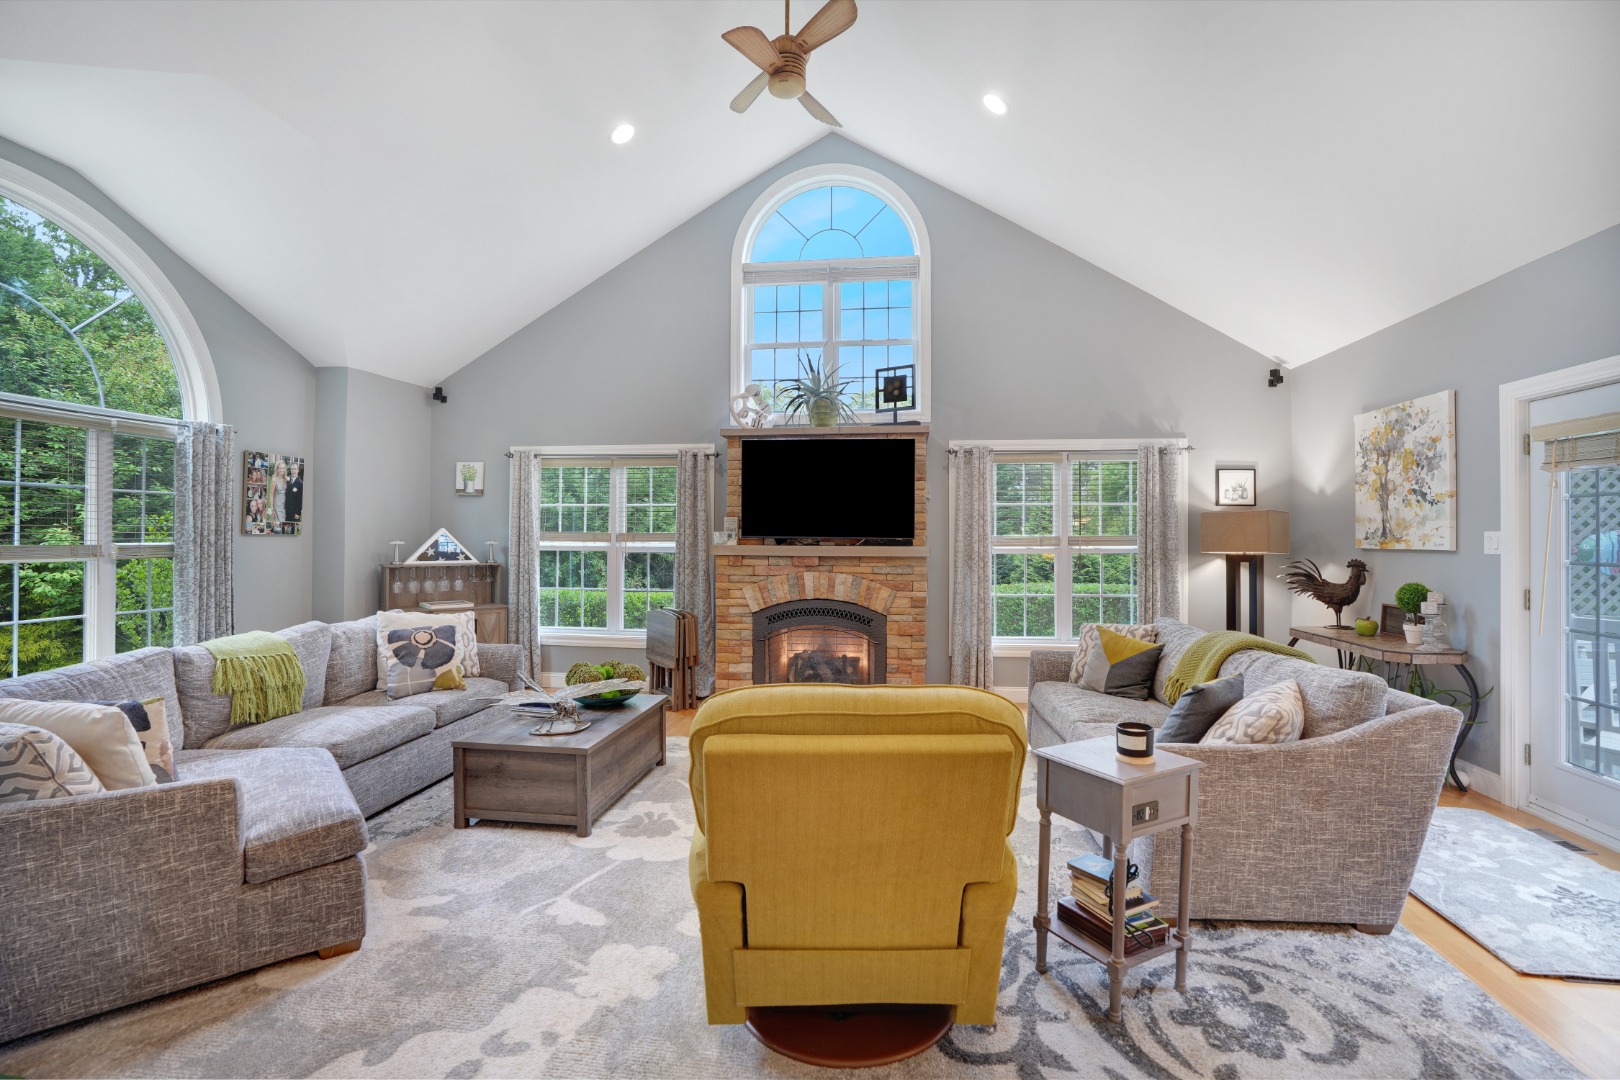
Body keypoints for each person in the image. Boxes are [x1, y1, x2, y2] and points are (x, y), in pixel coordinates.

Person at [284, 461, 304, 525]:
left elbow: (301, 499)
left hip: (295, 513)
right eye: (292, 469)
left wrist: (298, 513)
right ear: (290, 470)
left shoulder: (300, 483)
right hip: (287, 511)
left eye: (295, 469)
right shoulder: (288, 480)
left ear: (298, 470)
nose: (294, 471)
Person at [270, 460, 288, 524]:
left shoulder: (286, 479)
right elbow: (271, 495)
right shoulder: (274, 479)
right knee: (278, 524)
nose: (281, 470)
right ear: (277, 469)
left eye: (283, 468)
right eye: (280, 468)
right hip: (277, 505)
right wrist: (272, 509)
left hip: (285, 506)